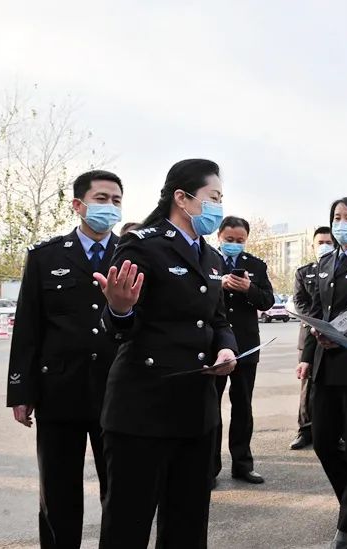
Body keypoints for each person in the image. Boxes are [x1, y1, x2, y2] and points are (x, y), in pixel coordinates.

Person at [95, 159, 238, 548]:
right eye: (214, 197)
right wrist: (120, 309)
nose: (218, 207)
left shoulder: (211, 257)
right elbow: (118, 326)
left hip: (196, 411)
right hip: (143, 410)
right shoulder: (143, 244)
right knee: (128, 523)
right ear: (183, 197)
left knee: (188, 525)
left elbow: (218, 320)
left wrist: (226, 349)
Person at [6, 170, 123, 548]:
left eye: (116, 200)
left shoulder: (131, 255)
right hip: (60, 390)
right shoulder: (46, 256)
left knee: (120, 492)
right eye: (102, 198)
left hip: (118, 392)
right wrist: (21, 391)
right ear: (79, 205)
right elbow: (28, 327)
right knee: (58, 493)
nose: (110, 207)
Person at [301, 197, 347, 549]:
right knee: (325, 441)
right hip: (324, 367)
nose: (341, 223)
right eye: (335, 217)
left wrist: (345, 336)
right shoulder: (327, 262)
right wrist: (310, 349)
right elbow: (317, 309)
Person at [213, 215, 275, 486]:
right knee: (210, 407)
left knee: (242, 406)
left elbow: (267, 301)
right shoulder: (206, 260)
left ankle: (243, 464)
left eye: (240, 241)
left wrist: (249, 287)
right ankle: (209, 466)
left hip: (247, 345)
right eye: (229, 240)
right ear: (219, 237)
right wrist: (218, 284)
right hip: (213, 345)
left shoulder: (256, 265)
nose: (234, 245)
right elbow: (191, 295)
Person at [290, 226, 334, 450]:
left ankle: (334, 430)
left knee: (330, 384)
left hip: (334, 336)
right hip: (309, 335)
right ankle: (304, 429)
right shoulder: (304, 272)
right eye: (320, 243)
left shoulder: (338, 269)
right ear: (313, 246)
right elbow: (300, 304)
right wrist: (317, 322)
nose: (325, 246)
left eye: (329, 242)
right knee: (307, 385)